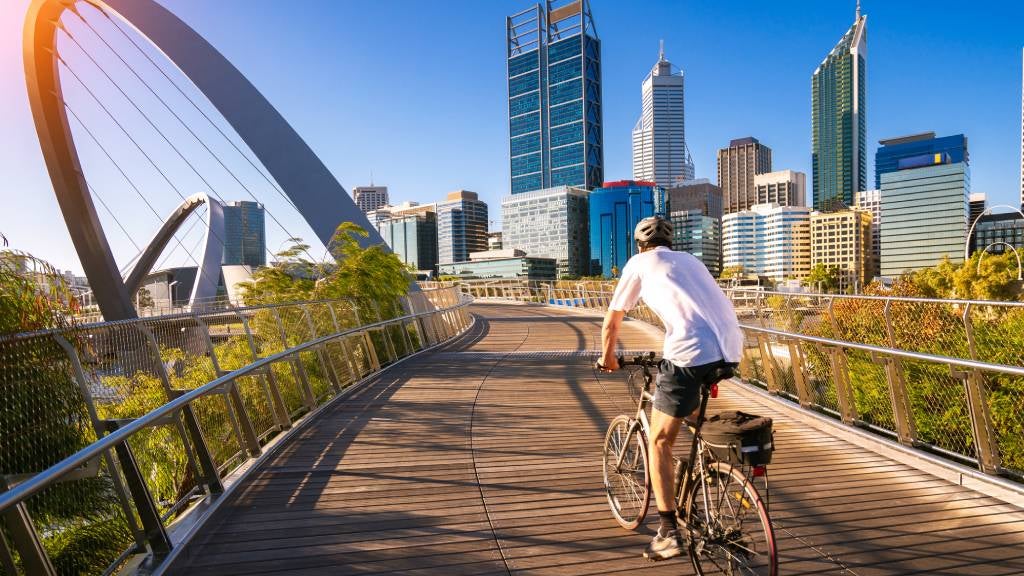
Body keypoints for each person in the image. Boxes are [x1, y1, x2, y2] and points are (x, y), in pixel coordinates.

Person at [597, 215, 743, 561]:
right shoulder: (690, 261)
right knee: (688, 414)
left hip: (690, 354)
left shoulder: (639, 262)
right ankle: (704, 471)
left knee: (660, 441)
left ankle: (667, 533)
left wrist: (608, 358)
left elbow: (612, 319)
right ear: (671, 243)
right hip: (730, 348)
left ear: (639, 244)